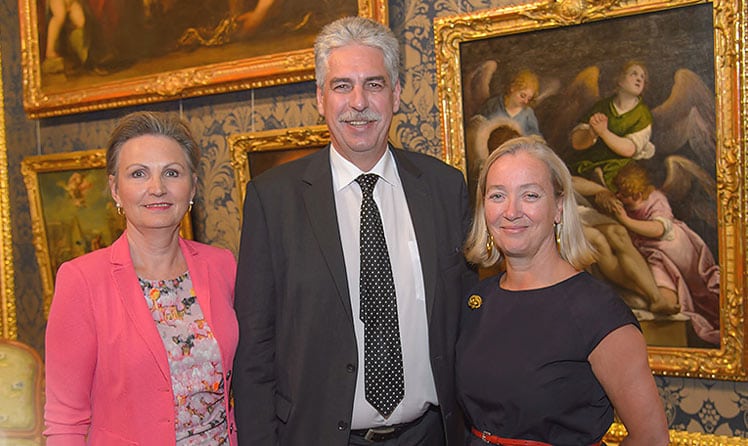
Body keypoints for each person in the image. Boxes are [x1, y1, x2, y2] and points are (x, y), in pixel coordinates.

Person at [232, 16, 477, 446]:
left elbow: (471, 319)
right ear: (320, 99)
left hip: (431, 436)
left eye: (375, 85)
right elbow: (255, 348)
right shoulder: (274, 200)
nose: (358, 102)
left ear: (397, 95)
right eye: (342, 86)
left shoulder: (444, 188)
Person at [43, 111, 239, 445]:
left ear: (193, 185)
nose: (157, 188)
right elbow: (66, 421)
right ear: (115, 189)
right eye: (138, 174)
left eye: (172, 173)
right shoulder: (81, 281)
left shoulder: (222, 266)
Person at [459, 136, 669, 445]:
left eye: (530, 195)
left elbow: (652, 438)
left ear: (558, 207)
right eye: (498, 195)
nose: (511, 211)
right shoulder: (477, 301)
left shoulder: (598, 312)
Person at [610, 162, 720, 345]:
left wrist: (626, 221)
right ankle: (666, 305)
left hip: (678, 248)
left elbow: (659, 229)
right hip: (655, 255)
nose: (618, 196)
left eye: (623, 194)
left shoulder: (656, 198)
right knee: (663, 285)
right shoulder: (626, 204)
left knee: (702, 288)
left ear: (636, 194)